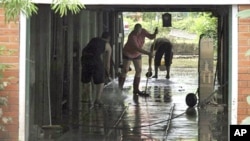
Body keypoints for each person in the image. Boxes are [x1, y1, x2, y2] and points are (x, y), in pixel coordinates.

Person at [118, 23, 158, 97]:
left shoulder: (143, 31)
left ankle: (136, 89)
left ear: (141, 30)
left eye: (138, 31)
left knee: (139, 70)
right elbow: (137, 48)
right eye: (135, 31)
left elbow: (151, 37)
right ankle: (119, 88)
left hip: (137, 54)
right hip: (128, 53)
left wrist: (154, 34)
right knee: (125, 70)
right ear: (134, 29)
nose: (137, 33)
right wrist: (148, 53)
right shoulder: (132, 36)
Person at [81, 32, 112, 106]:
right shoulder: (107, 45)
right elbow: (107, 62)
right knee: (100, 81)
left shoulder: (93, 40)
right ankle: (97, 99)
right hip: (95, 60)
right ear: (108, 39)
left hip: (84, 58)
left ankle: (88, 98)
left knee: (86, 79)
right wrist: (107, 71)